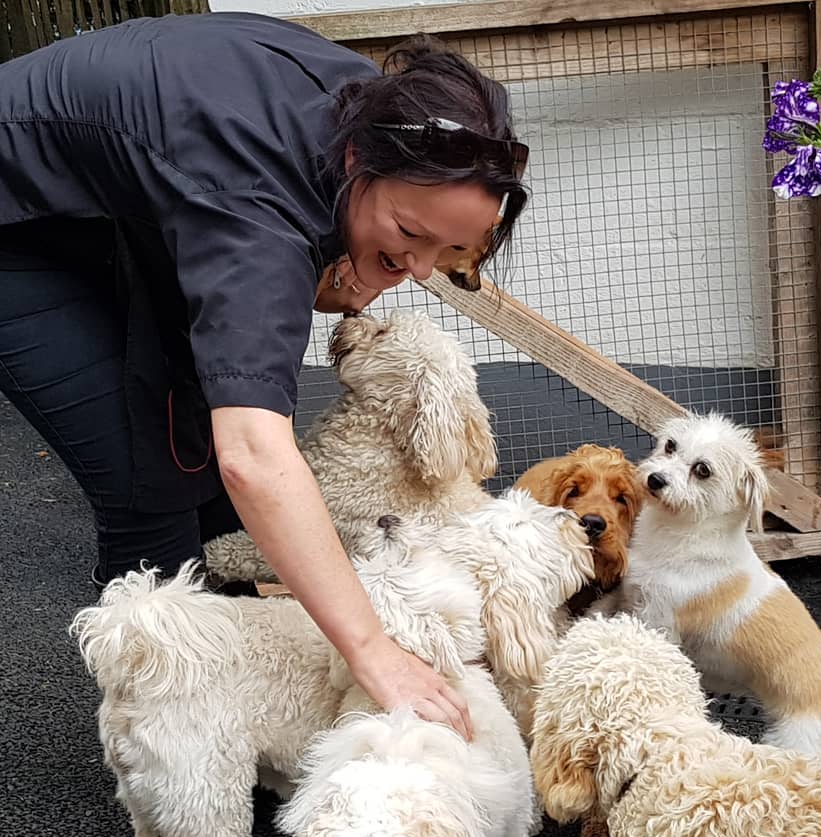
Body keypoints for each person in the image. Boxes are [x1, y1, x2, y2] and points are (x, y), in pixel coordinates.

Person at [0, 12, 530, 740]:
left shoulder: (379, 114)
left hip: (107, 198)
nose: (418, 269)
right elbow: (253, 456)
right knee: (146, 474)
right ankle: (171, 743)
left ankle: (247, 678)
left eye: (449, 250)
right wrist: (372, 651)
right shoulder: (256, 212)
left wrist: (337, 263)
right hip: (17, 227)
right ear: (358, 162)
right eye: (410, 234)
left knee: (195, 421)